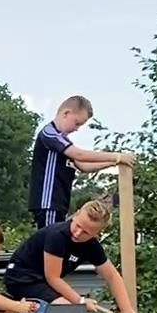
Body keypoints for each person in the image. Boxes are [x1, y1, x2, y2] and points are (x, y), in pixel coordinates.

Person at [2, 199, 135, 313]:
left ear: (96, 233)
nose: (77, 233)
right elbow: (53, 277)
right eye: (78, 226)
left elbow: (112, 276)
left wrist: (127, 311)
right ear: (76, 215)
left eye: (86, 232)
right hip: (22, 279)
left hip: (43, 283)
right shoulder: (57, 236)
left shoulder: (92, 246)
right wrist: (80, 301)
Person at [28, 95, 136, 228]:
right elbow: (78, 154)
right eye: (77, 123)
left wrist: (115, 163)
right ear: (66, 113)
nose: (77, 128)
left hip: (59, 202)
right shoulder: (50, 134)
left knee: (57, 242)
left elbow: (83, 166)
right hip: (48, 202)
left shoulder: (63, 143)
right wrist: (116, 156)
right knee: (50, 241)